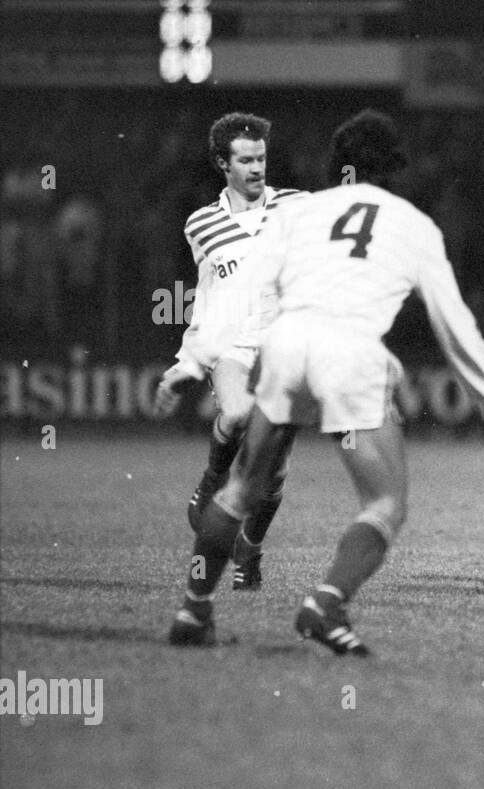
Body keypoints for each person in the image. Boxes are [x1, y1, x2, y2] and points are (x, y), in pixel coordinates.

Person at [167, 109, 484, 653]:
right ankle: (325, 604)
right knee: (385, 504)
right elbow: (453, 325)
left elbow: (245, 293)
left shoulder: (300, 211)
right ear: (395, 169)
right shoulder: (412, 225)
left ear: (338, 165)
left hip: (286, 344)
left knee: (241, 489)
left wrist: (192, 359)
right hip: (350, 354)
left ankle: (193, 612)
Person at [154, 113, 305, 590]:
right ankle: (211, 480)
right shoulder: (202, 224)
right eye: (245, 159)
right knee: (237, 414)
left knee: (273, 471)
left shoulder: (297, 206)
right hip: (234, 347)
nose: (257, 167)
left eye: (261, 158)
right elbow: (210, 300)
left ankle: (251, 550)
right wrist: (188, 364)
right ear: (223, 162)